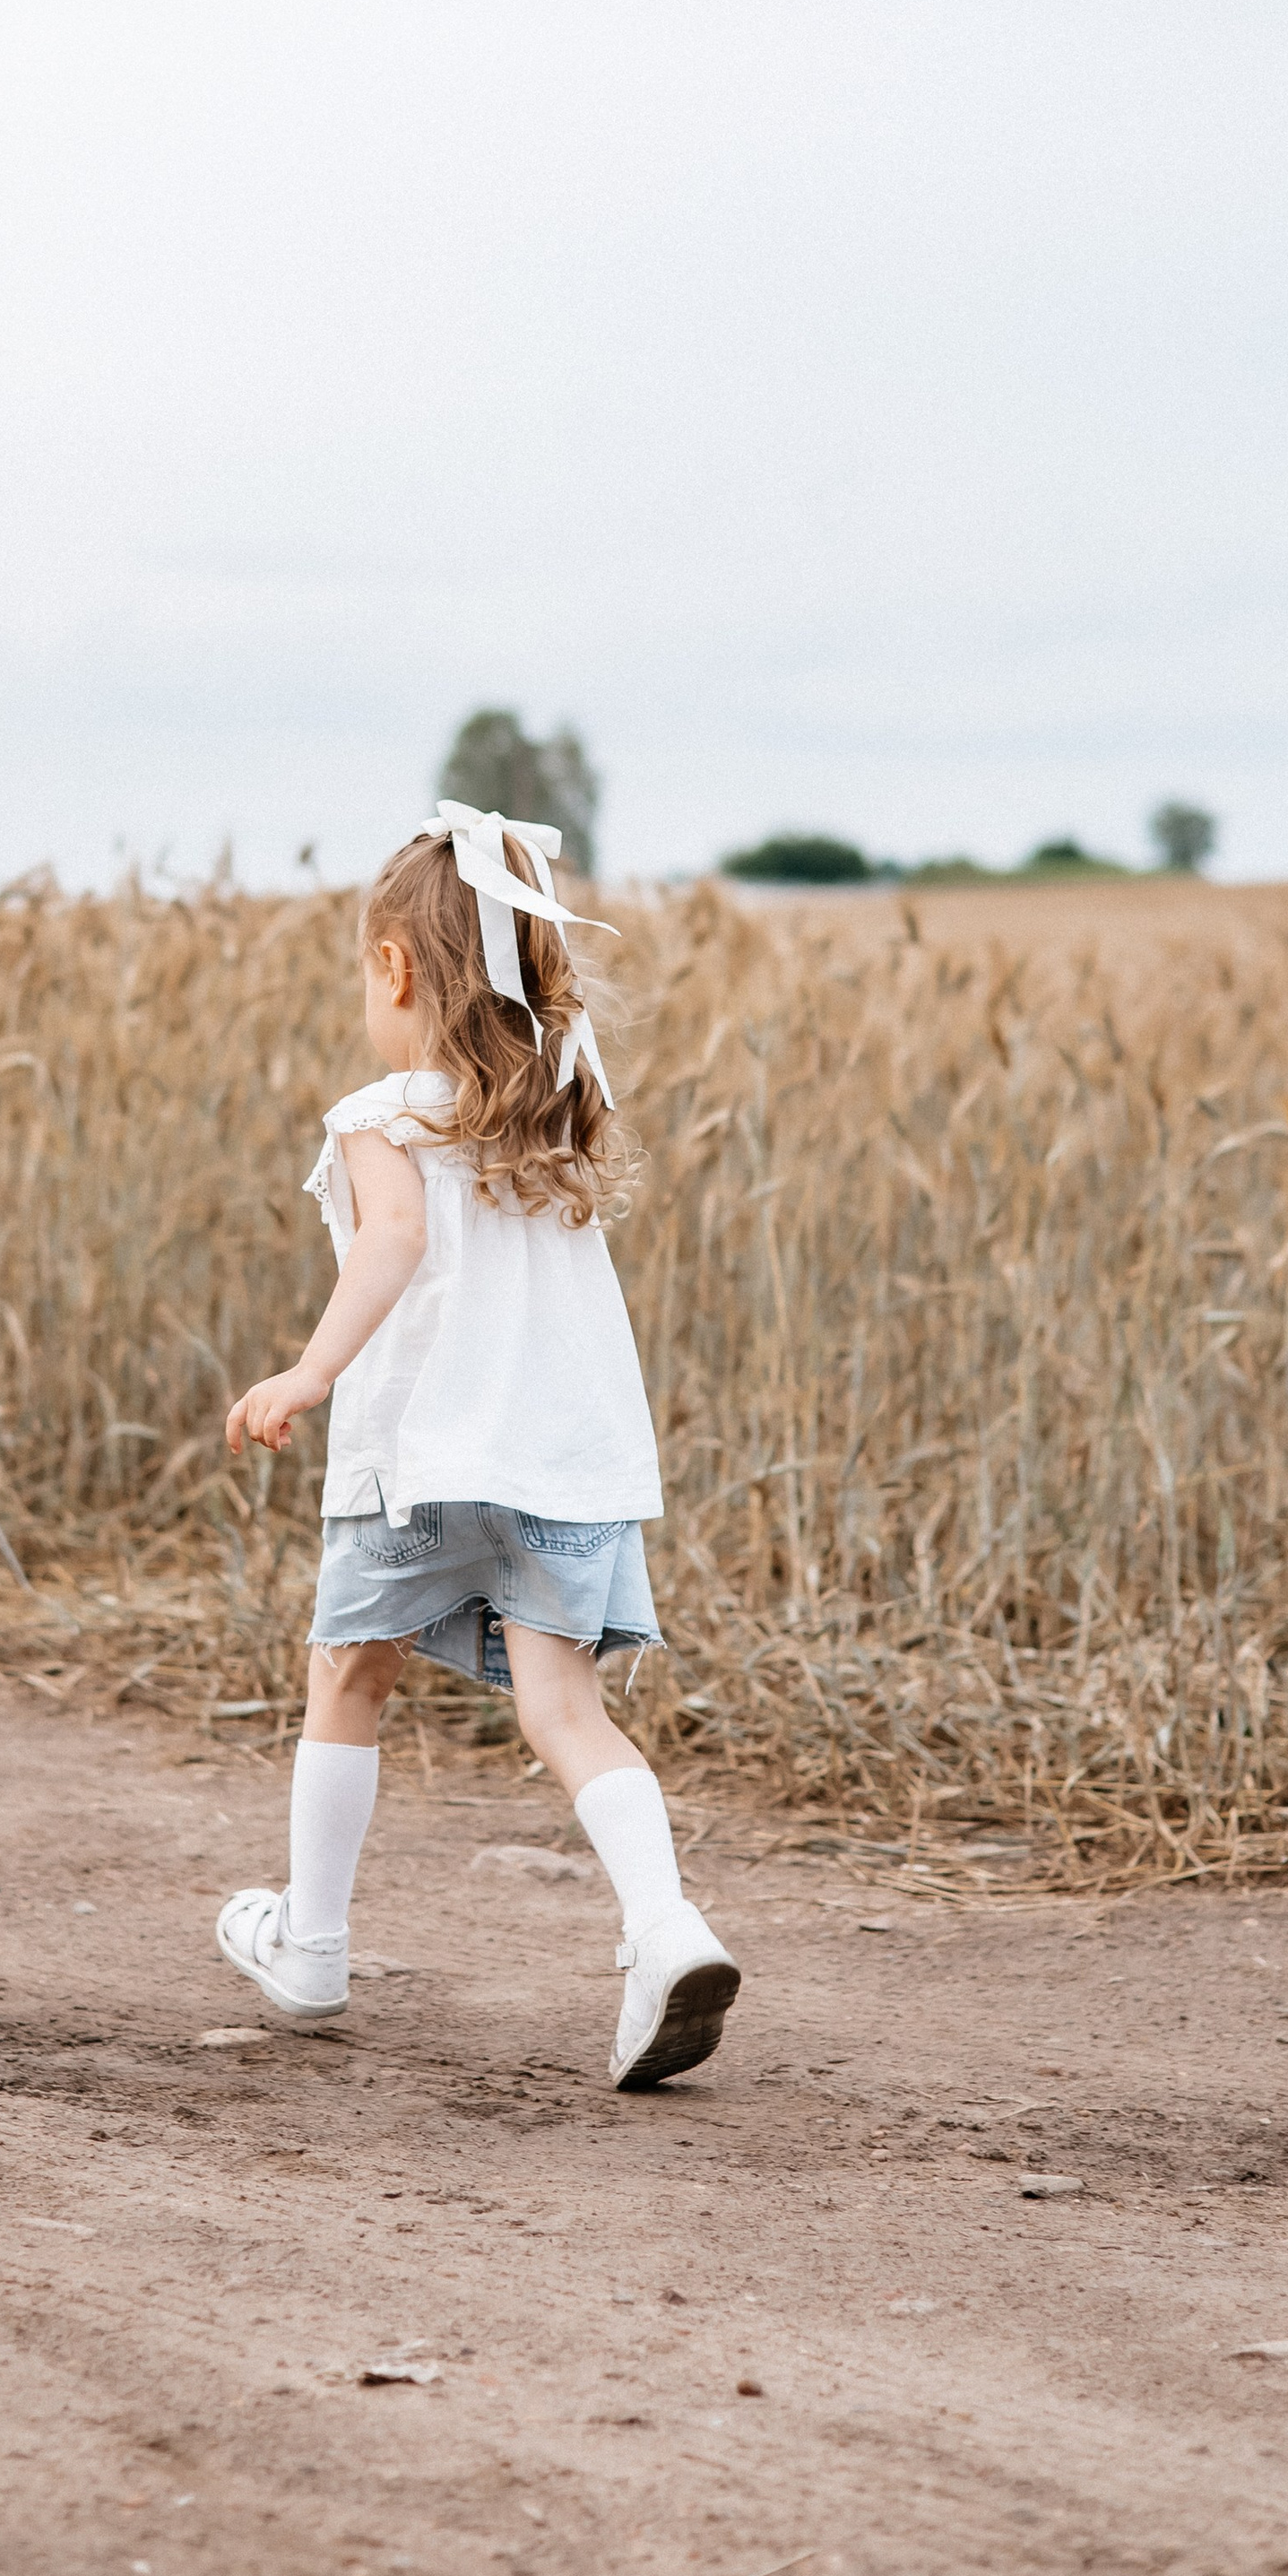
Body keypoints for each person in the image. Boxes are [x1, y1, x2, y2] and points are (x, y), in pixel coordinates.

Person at [217, 801, 739, 2088]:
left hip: (421, 1459)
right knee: (568, 1710)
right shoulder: (561, 1101)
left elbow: (393, 1242)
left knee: (349, 1677)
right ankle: (666, 1929)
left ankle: (315, 1945)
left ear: (393, 968)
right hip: (562, 1462)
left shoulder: (381, 1113)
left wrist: (310, 1370)